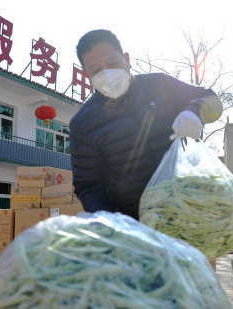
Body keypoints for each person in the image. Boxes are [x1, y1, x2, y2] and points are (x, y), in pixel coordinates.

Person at [69, 29, 223, 220]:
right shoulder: (84, 124)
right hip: (139, 227)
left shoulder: (160, 85)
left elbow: (212, 99)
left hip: (191, 209)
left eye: (112, 63)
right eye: (96, 70)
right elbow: (88, 184)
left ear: (126, 59)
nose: (107, 74)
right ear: (86, 75)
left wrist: (194, 112)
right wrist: (109, 222)